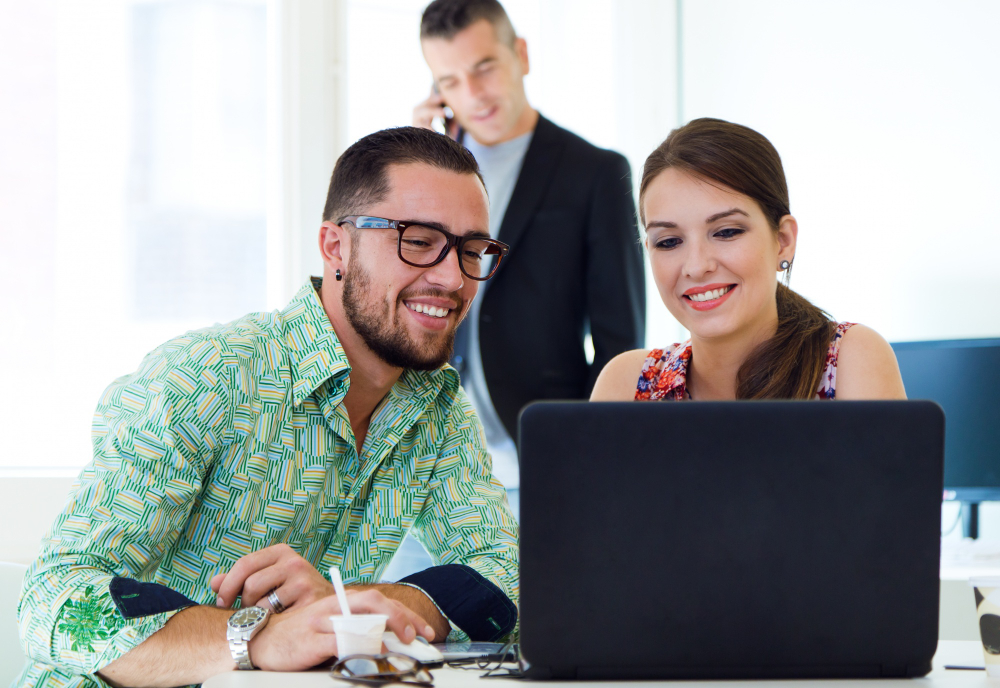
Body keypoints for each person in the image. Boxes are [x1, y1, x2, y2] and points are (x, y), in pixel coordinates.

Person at [15, 127, 519, 687]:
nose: (453, 277)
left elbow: (507, 575)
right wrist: (258, 637)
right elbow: (55, 598)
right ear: (336, 247)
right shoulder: (207, 375)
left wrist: (353, 606)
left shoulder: (438, 407)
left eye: (472, 251)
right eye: (419, 241)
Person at [413, 0, 646, 502]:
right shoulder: (428, 173)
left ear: (520, 54)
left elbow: (620, 343)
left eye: (485, 67)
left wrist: (586, 454)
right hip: (428, 471)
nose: (473, 94)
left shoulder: (596, 173)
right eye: (450, 81)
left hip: (540, 464)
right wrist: (417, 159)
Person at [591, 118, 906, 402]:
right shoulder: (626, 384)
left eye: (726, 232)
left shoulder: (851, 361)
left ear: (783, 241)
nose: (696, 266)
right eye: (669, 242)